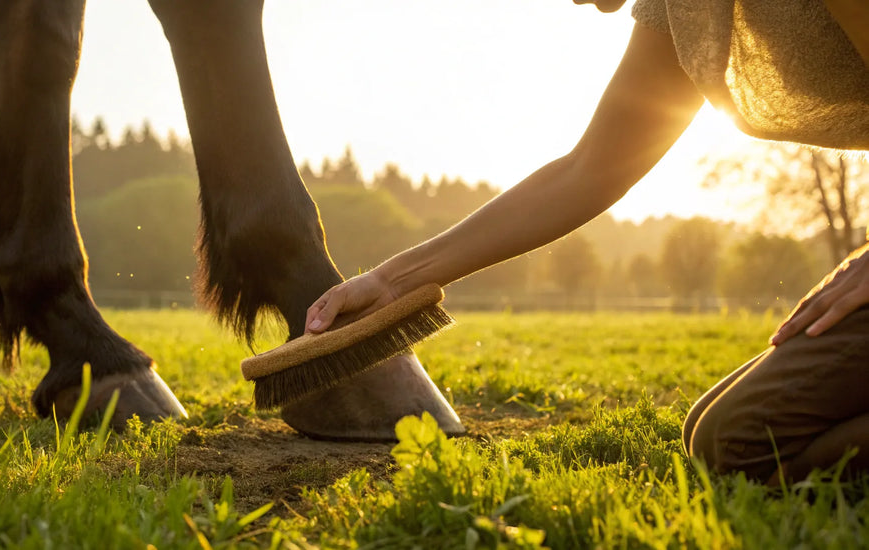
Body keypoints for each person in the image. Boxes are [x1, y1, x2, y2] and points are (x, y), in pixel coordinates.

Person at [304, 0, 869, 484]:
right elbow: (590, 169)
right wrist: (391, 281)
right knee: (711, 435)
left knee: (740, 443)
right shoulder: (683, 12)